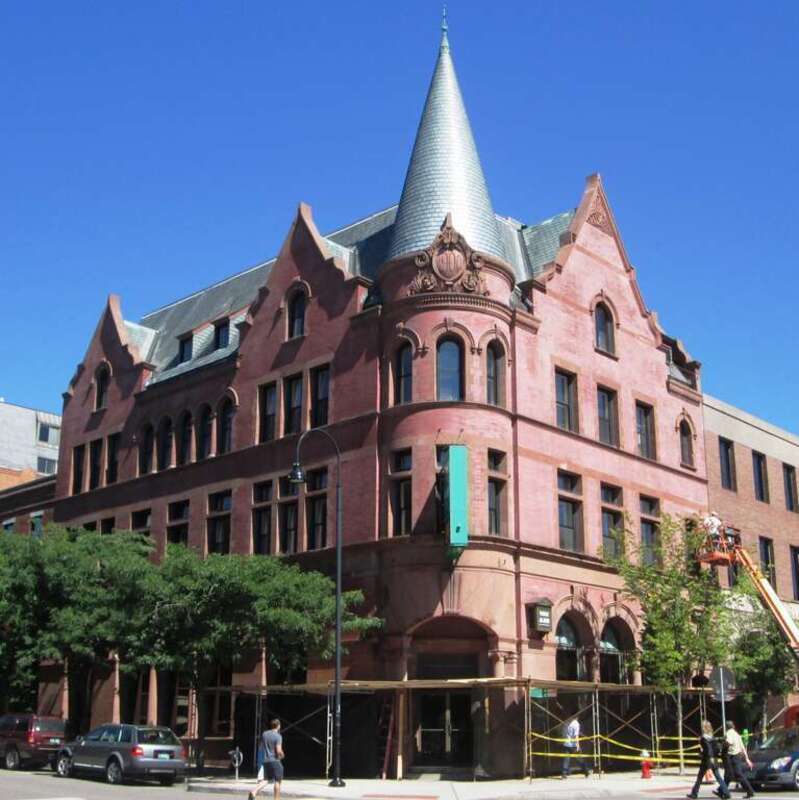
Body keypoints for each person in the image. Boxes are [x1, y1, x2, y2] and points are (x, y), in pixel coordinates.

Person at [687, 720, 731, 800]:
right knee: (718, 777)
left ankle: (694, 794)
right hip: (714, 759)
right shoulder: (712, 737)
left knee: (699, 777)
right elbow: (715, 749)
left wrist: (703, 754)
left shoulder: (704, 738)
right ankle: (726, 793)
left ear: (704, 728)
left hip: (707, 759)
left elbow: (707, 749)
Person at [249, 719, 284, 800]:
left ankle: (254, 792)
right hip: (275, 761)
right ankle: (276, 799)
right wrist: (282, 754)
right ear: (278, 726)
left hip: (266, 761)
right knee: (277, 780)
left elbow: (261, 745)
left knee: (266, 780)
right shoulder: (278, 736)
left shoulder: (265, 734)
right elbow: (278, 750)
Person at [724, 721, 755, 799]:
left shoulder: (728, 733)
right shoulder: (737, 734)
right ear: (733, 726)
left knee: (735, 774)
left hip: (731, 756)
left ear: (727, 727)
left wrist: (723, 745)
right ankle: (722, 791)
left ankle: (750, 791)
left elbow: (729, 742)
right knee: (729, 775)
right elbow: (742, 747)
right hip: (737, 756)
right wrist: (747, 759)